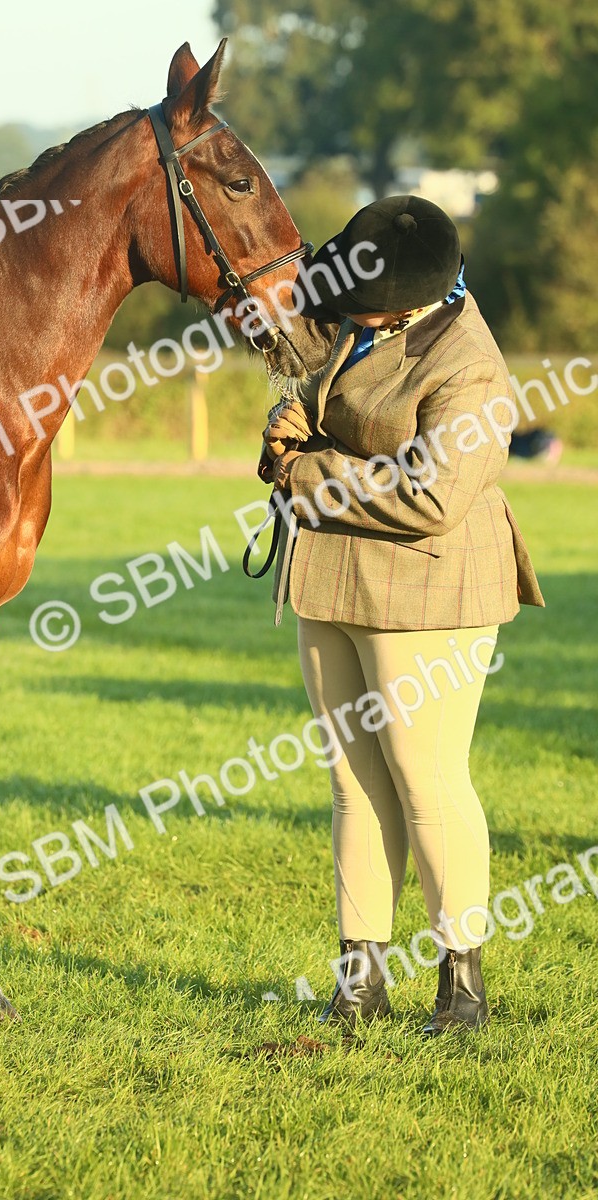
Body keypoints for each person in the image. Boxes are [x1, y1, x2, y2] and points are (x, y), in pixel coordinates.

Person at [260, 195, 545, 1036]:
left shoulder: (471, 366)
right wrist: (294, 417)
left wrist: (305, 473)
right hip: (334, 575)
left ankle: (462, 986)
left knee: (427, 781)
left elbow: (429, 495)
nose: (337, 306)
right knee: (353, 781)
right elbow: (321, 384)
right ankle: (361, 979)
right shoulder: (367, 316)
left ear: (413, 298)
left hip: (429, 587)